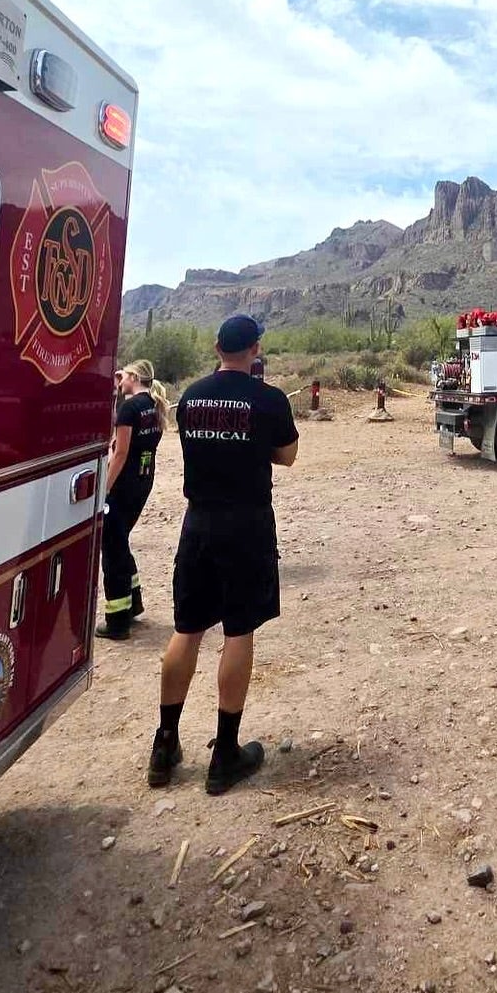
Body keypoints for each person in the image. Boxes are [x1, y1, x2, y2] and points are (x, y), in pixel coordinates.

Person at [147, 314, 298, 795]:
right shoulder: (268, 399)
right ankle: (225, 754)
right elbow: (287, 455)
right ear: (256, 349)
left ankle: (164, 744)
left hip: (198, 524)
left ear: (216, 348)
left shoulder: (191, 397)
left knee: (187, 628)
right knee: (238, 630)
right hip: (246, 525)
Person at [98, 358, 170, 640]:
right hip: (143, 479)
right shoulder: (152, 404)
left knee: (112, 548)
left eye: (125, 375)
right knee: (121, 539)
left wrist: (105, 489)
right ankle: (133, 602)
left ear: (135, 378)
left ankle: (117, 622)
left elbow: (120, 453)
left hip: (123, 484)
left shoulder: (129, 409)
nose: (122, 380)